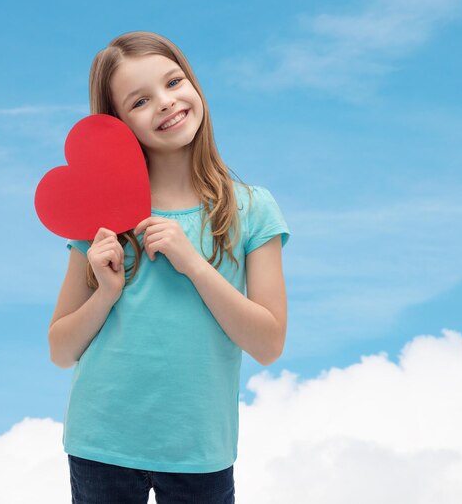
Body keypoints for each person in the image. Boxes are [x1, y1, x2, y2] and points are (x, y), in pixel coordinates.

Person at [47, 31, 291, 504]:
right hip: (101, 445)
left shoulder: (252, 209)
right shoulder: (100, 216)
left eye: (174, 81)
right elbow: (60, 350)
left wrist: (195, 264)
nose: (165, 102)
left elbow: (269, 343)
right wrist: (105, 292)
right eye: (140, 101)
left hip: (200, 450)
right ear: (118, 124)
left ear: (194, 85)